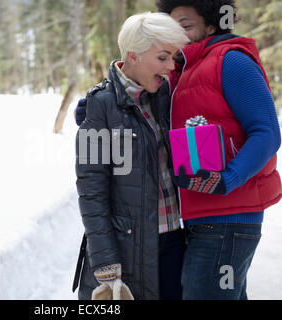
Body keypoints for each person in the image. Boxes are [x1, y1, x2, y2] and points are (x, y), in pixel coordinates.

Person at [75, 0, 282, 300]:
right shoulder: (172, 81)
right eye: (171, 37)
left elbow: (267, 133)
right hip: (174, 230)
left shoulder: (224, 64)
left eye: (185, 27)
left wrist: (228, 178)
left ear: (211, 23)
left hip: (215, 220)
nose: (178, 46)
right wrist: (97, 107)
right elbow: (92, 187)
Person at [73, 12, 189, 300]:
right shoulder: (99, 106)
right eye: (162, 58)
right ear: (134, 56)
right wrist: (104, 260)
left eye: (173, 58)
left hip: (175, 240)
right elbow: (91, 190)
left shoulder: (165, 96)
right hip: (128, 250)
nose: (170, 67)